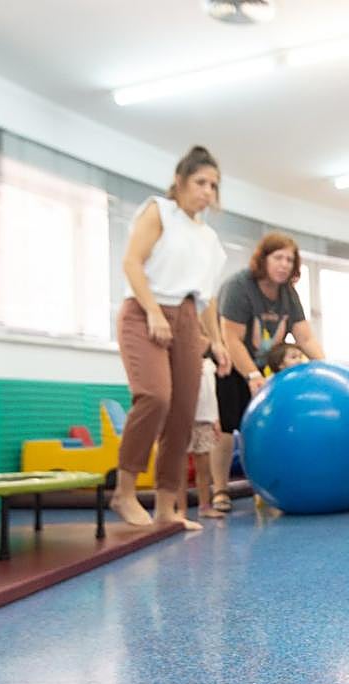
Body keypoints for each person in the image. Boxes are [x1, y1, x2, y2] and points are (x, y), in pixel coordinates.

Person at [111, 145, 232, 530]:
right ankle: (125, 491)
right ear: (180, 182)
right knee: (155, 397)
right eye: (200, 182)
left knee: (183, 414)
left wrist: (217, 343)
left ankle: (167, 506)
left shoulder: (210, 240)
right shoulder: (158, 211)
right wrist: (150, 311)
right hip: (145, 312)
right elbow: (132, 262)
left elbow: (208, 299)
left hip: (186, 321)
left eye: (213, 185)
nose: (207, 192)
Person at [210, 234, 325, 512]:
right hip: (227, 361)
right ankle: (220, 490)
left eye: (289, 259)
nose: (284, 264)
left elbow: (305, 337)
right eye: (278, 257)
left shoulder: (288, 293)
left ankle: (265, 485)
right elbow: (232, 339)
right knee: (228, 426)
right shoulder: (240, 286)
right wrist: (251, 376)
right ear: (263, 259)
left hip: (262, 365)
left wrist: (324, 367)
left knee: (264, 426)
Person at [177, 356, 225, 519]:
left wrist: (215, 419)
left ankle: (205, 506)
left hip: (205, 421)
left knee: (204, 468)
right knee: (181, 469)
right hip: (183, 420)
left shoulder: (209, 365)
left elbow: (212, 395)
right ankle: (181, 509)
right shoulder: (180, 361)